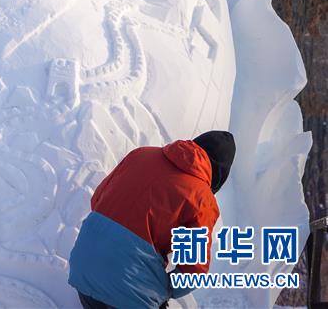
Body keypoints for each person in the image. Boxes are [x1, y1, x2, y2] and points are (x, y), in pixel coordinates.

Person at [68, 130, 236, 309]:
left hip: (83, 270)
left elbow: (97, 200)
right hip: (131, 293)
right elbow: (193, 270)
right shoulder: (203, 199)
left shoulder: (140, 154)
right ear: (220, 176)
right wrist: (166, 289)